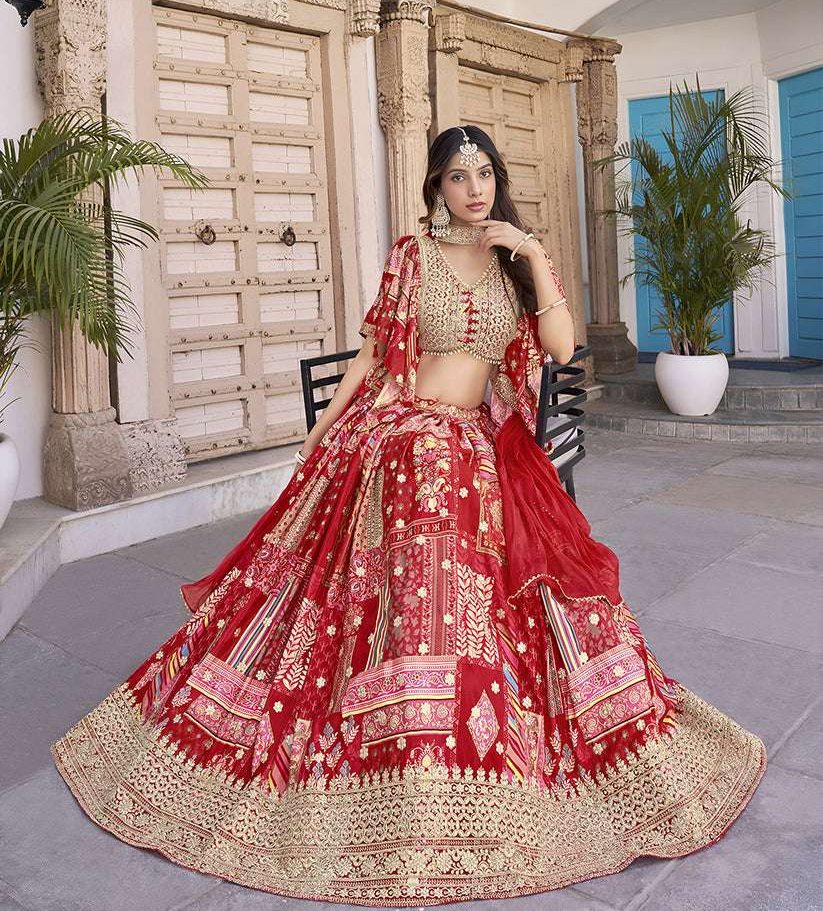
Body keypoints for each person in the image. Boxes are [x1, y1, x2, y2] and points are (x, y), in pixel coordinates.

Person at [53, 125, 766, 905]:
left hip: (476, 442)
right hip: (403, 433)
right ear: (435, 188)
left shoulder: (516, 259)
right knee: (414, 506)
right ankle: (403, 731)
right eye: (457, 176)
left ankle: (467, 730)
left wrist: (531, 255)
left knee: (501, 543)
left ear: (496, 180)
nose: (473, 188)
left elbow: (560, 347)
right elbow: (372, 354)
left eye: (483, 173)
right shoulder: (412, 255)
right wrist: (321, 433)